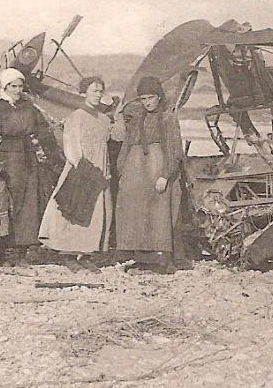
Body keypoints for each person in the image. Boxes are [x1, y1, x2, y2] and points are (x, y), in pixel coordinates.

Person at [39, 76, 120, 272]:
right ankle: (68, 254)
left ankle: (87, 253)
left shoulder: (103, 119)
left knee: (99, 211)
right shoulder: (76, 116)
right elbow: (71, 145)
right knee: (75, 208)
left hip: (101, 167)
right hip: (82, 169)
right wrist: (83, 168)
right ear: (83, 93)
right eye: (93, 91)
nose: (97, 95)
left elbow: (112, 138)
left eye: (100, 91)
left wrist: (119, 116)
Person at [0, 68, 60, 267]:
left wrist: (54, 158)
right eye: (13, 86)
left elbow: (44, 132)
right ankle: (0, 253)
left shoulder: (28, 107)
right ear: (5, 87)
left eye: (20, 86)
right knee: (7, 204)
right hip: (8, 158)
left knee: (28, 204)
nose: (17, 90)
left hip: (28, 158)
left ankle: (21, 253)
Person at [114, 76, 185, 272]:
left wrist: (166, 174)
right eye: (143, 99)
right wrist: (121, 170)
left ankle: (161, 258)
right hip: (135, 170)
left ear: (159, 97)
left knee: (159, 212)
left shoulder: (167, 117)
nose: (147, 103)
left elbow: (174, 148)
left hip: (157, 168)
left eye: (151, 98)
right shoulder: (137, 117)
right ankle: (140, 256)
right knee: (135, 211)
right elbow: (127, 144)